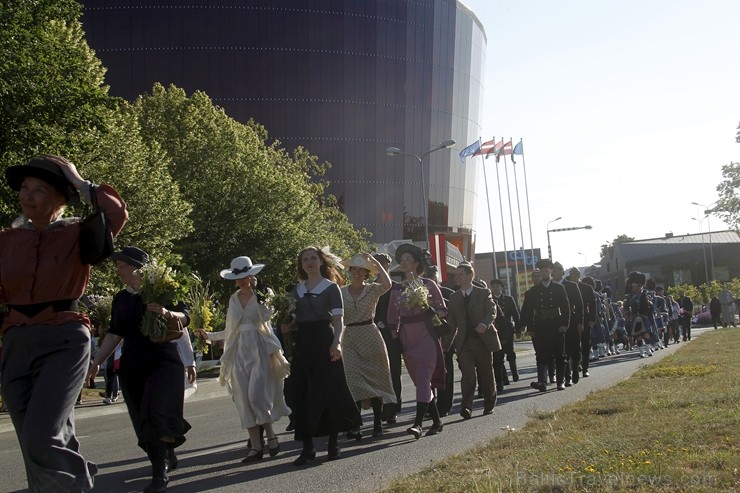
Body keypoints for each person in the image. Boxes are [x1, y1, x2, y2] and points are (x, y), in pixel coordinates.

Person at [1, 155, 127, 492]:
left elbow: (116, 214)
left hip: (64, 339)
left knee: (40, 436)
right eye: (24, 189)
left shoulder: (78, 232)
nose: (27, 196)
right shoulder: (6, 240)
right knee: (35, 442)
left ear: (59, 198)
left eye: (38, 190)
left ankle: (78, 483)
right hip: (15, 343)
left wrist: (79, 181)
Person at [89, 247, 192, 493]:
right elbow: (115, 333)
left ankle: (159, 474)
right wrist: (95, 363)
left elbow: (186, 317)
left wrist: (168, 313)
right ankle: (165, 451)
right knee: (142, 418)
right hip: (133, 365)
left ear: (136, 267)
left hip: (163, 361)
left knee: (156, 412)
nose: (118, 270)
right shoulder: (121, 299)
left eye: (121, 266)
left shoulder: (162, 289)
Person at [195, 256, 290, 462]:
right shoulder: (234, 298)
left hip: (260, 347)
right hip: (238, 349)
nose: (239, 281)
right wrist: (209, 336)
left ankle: (271, 436)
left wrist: (258, 292)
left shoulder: (265, 293)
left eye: (243, 277)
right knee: (242, 398)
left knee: (257, 396)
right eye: (236, 278)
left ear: (251, 275)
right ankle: (256, 447)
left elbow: (266, 316)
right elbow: (231, 328)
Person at [290, 246, 361, 465]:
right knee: (301, 393)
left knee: (329, 393)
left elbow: (339, 321)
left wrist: (337, 343)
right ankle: (308, 447)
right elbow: (294, 318)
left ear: (321, 262)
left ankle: (333, 443)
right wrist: (288, 324)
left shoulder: (331, 288)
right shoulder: (296, 290)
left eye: (313, 258)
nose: (310, 262)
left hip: (324, 340)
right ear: (301, 265)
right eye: (305, 259)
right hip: (303, 343)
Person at [387, 243, 447, 439]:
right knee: (421, 382)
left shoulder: (429, 284)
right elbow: (391, 318)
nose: (403, 263)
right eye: (401, 260)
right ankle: (437, 421)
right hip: (407, 338)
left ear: (416, 262)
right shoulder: (397, 288)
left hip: (426, 335)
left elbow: (442, 309)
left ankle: (418, 424)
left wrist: (431, 310)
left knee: (423, 378)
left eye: (407, 259)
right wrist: (395, 338)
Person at [340, 253, 395, 438]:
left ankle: (377, 422)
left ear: (366, 273)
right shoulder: (340, 291)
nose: (357, 272)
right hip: (349, 338)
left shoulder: (372, 289)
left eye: (361, 270)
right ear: (350, 271)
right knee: (353, 381)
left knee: (375, 379)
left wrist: (377, 263)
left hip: (370, 336)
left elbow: (388, 285)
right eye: (354, 269)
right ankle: (356, 424)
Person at [447, 262, 500, 418]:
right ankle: (466, 407)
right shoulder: (454, 297)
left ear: (470, 276)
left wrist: (484, 324)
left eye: (460, 275)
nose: (456, 278)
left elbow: (492, 311)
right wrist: (446, 346)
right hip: (464, 343)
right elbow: (451, 323)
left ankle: (489, 403)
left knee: (486, 374)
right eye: (455, 275)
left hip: (482, 340)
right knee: (468, 376)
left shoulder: (483, 293)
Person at [518, 259, 570, 391]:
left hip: (556, 324)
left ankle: (560, 381)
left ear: (551, 271)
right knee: (541, 354)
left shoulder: (559, 288)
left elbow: (565, 307)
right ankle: (542, 381)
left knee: (559, 354)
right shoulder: (533, 292)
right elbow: (527, 311)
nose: (544, 273)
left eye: (546, 270)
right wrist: (526, 327)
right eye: (542, 271)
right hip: (540, 326)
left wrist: (564, 324)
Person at [372, 253, 403, 424]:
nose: (382, 267)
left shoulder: (397, 287)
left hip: (393, 336)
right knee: (378, 373)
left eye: (385, 264)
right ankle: (381, 408)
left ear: (390, 266)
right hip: (374, 334)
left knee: (394, 373)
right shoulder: (370, 287)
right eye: (378, 265)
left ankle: (392, 409)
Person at [551, 263, 583, 387]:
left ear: (562, 272)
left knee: (574, 349)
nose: (554, 272)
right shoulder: (550, 286)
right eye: (553, 270)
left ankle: (575, 368)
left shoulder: (571, 286)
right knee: (561, 352)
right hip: (556, 323)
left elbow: (579, 305)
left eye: (557, 270)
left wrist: (580, 322)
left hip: (572, 321)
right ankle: (567, 377)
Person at [489, 279, 521, 387]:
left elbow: (516, 315)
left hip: (508, 330)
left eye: (497, 286)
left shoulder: (508, 299)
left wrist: (518, 330)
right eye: (493, 287)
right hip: (495, 331)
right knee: (498, 356)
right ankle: (503, 378)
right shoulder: (489, 300)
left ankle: (514, 371)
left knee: (510, 352)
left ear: (501, 288)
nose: (495, 288)